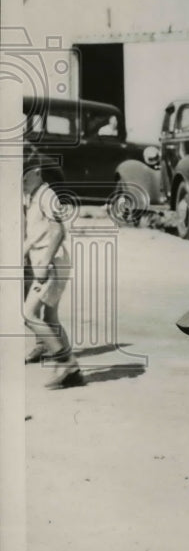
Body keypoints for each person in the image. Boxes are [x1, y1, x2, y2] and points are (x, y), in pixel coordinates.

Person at [22, 150, 84, 388]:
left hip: (52, 263)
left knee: (27, 314)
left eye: (24, 179)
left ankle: (67, 363)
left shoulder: (47, 195)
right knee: (50, 317)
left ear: (37, 173)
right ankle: (74, 371)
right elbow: (35, 233)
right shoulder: (33, 195)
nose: (22, 185)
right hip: (46, 262)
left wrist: (44, 263)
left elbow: (58, 231)